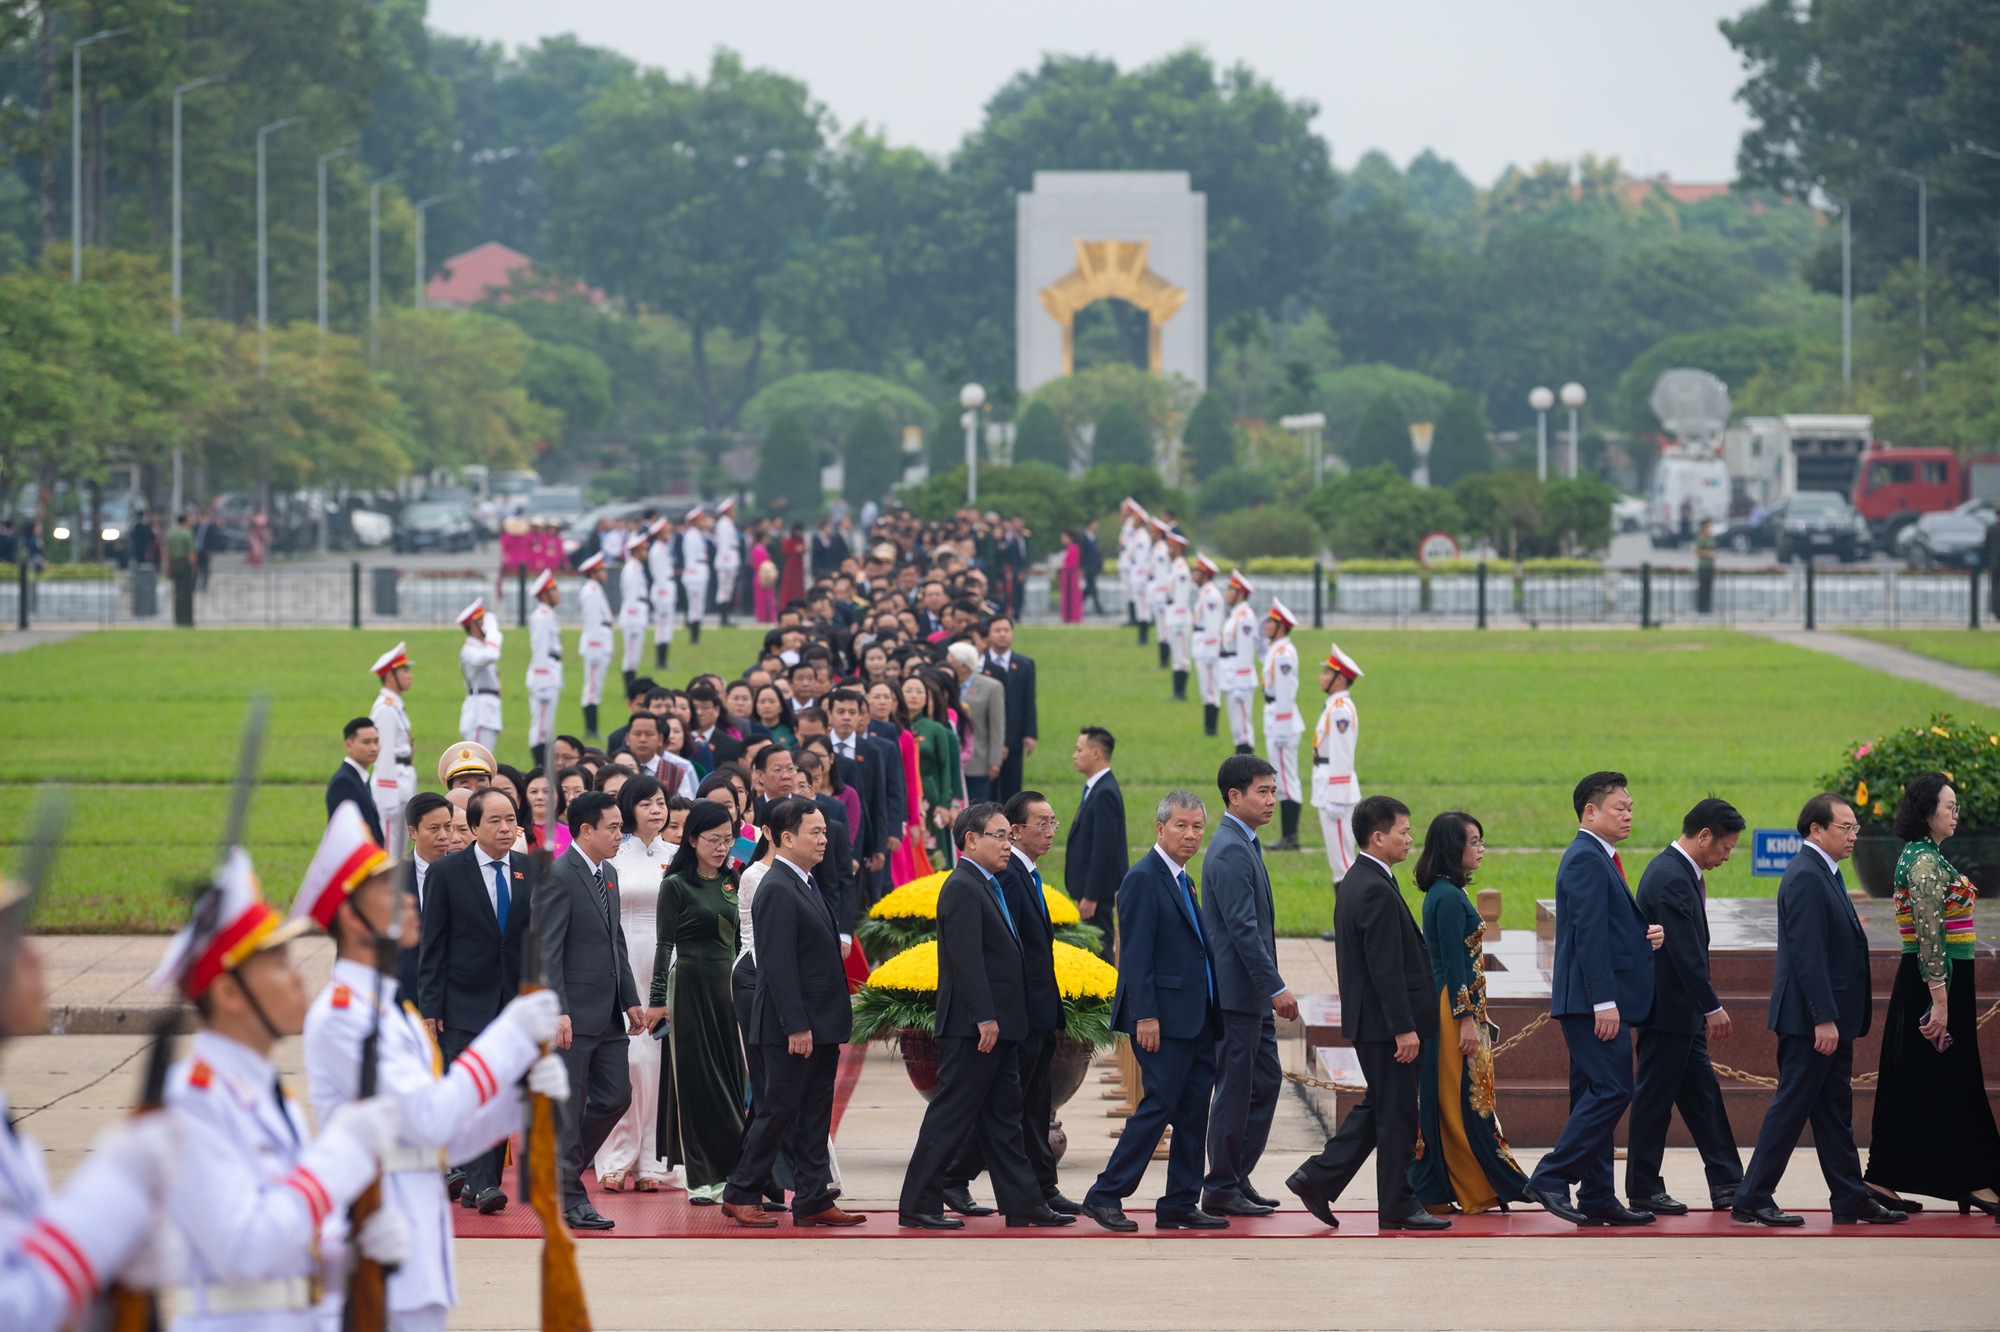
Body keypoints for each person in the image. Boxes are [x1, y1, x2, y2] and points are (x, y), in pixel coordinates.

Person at [297, 804, 568, 1332]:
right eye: (388, 894)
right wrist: (509, 1039)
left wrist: (518, 1100)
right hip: (375, 1234)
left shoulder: (387, 1010)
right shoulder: (341, 1016)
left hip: (418, 1243)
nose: (406, 900)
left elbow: (449, 1139)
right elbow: (426, 1119)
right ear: (353, 918)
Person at [150, 849, 407, 1330]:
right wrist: (340, 1153)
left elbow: (290, 1227)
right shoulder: (194, 1096)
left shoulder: (263, 1087)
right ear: (229, 993)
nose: (297, 977)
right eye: (277, 964)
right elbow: (244, 1249)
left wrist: (343, 1247)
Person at [899, 804, 1072, 1230]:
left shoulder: (986, 883)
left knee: (1004, 1118)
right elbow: (966, 960)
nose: (1007, 845)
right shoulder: (962, 886)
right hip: (974, 1029)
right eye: (999, 836)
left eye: (1008, 837)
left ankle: (1023, 1202)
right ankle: (918, 1203)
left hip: (997, 1027)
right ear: (971, 839)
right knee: (950, 1114)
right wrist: (984, 1017)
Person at [1735, 794, 1904, 1226]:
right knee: (1791, 1110)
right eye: (1845, 828)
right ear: (1816, 829)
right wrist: (1822, 1017)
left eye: (1855, 829)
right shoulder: (1807, 876)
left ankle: (1848, 1196)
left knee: (1833, 1112)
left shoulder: (1824, 872)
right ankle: (1752, 1197)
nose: (1853, 836)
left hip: (1831, 1018)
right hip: (1813, 1021)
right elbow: (1808, 956)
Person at [1286, 795, 1450, 1231]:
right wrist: (1404, 1029)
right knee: (1398, 1115)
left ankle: (1316, 1179)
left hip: (1375, 1023)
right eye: (1404, 832)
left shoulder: (1362, 878)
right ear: (1378, 838)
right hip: (1386, 1027)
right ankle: (1398, 1205)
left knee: (1383, 1106)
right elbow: (1385, 969)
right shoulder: (1374, 887)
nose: (1410, 839)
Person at [1525, 771, 1665, 1227]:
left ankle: (1599, 1195)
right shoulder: (1586, 857)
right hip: (1593, 1003)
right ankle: (1551, 1176)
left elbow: (1606, 927)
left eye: (1630, 809)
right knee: (1613, 1089)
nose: (1628, 816)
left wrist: (1645, 936)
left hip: (1595, 1000)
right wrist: (1604, 1001)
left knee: (1592, 1091)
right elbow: (1587, 935)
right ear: (1590, 811)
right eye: (1618, 808)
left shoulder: (1599, 857)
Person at [1081, 791, 1223, 1232]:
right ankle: (1105, 1194)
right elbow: (1136, 954)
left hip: (1196, 1017)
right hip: (1161, 1020)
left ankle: (1181, 1201)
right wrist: (1145, 1015)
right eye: (1181, 825)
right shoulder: (1144, 878)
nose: (1190, 834)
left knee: (1194, 1109)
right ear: (1160, 829)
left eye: (1198, 826)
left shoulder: (1183, 878)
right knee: (1159, 1104)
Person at [719, 798, 865, 1228]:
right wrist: (796, 1024)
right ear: (786, 838)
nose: (824, 839)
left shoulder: (804, 880)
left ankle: (813, 1196)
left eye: (824, 832)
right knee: (778, 1109)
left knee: (816, 1111)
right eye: (814, 833)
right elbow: (776, 964)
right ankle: (741, 1192)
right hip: (792, 1027)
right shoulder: (777, 886)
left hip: (821, 1022)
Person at [1865, 773, 2000, 1215]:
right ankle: (1974, 1181)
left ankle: (1886, 1179)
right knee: (1951, 1081)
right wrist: (1939, 1002)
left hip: (1937, 982)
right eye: (1949, 806)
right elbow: (1929, 936)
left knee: (1922, 1082)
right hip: (1934, 983)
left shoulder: (1928, 856)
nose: (1956, 814)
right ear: (1927, 813)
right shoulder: (1922, 861)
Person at [418, 785, 536, 1214]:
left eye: (511, 820)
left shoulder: (529, 870)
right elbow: (434, 944)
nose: (505, 829)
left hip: (511, 1006)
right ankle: (484, 1184)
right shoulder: (447, 873)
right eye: (495, 821)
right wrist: (431, 1007)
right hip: (462, 1003)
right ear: (473, 826)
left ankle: (479, 1184)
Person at [1627, 797, 1748, 1216]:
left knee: (1703, 1098)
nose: (1726, 857)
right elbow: (1683, 951)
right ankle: (1643, 1186)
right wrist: (1711, 1006)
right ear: (1703, 836)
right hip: (1668, 1012)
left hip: (1681, 1014)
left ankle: (1729, 1183)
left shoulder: (1677, 871)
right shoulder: (1672, 877)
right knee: (1654, 1101)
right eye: (1726, 848)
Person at [1410, 810, 1531, 1215]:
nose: (1480, 849)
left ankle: (1462, 1185)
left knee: (1465, 1100)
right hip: (1453, 1009)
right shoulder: (1445, 897)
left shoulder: (1449, 893)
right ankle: (1491, 1183)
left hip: (1462, 1007)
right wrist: (1465, 1018)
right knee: (1466, 1101)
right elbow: (1453, 964)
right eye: (1473, 841)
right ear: (1452, 847)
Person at [537, 791, 645, 1230]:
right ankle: (571, 1197)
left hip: (610, 1013)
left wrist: (632, 999)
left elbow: (614, 941)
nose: (621, 834)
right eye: (614, 827)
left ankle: (558, 1170)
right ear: (586, 830)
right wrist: (558, 1010)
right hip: (573, 1016)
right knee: (571, 1104)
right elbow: (546, 951)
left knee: (616, 1095)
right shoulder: (559, 876)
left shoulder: (610, 873)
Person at [1200, 755, 1296, 1218]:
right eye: (1263, 791)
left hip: (1251, 996)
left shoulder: (1244, 842)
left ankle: (1235, 1175)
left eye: (1273, 791)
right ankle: (1220, 1185)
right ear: (1234, 797)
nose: (1272, 800)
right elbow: (1242, 929)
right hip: (1240, 995)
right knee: (1236, 1089)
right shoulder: (1231, 849)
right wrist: (1275, 986)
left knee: (1264, 1082)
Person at [651, 800, 751, 1204]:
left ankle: (734, 1171)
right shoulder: (675, 885)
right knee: (696, 1082)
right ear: (692, 839)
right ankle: (701, 1178)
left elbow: (742, 940)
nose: (722, 847)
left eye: (728, 840)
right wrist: (658, 1001)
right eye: (713, 840)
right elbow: (664, 946)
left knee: (731, 1078)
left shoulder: (733, 882)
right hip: (689, 987)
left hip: (728, 989)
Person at [598, 774, 677, 1194]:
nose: (656, 809)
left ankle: (651, 1162)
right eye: (646, 803)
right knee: (630, 1063)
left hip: (666, 965)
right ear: (628, 809)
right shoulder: (613, 857)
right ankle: (616, 1158)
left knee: (660, 1066)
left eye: (661, 802)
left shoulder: (679, 856)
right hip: (623, 962)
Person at [1310, 643, 1365, 918]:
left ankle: (1350, 924)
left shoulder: (1340, 709)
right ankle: (1347, 924)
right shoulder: (1334, 706)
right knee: (1338, 861)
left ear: (1339, 679)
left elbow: (1343, 756)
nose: (1321, 677)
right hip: (1329, 787)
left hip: (1336, 793)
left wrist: (1336, 797)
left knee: (1344, 861)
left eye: (1326, 672)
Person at [1065, 726, 1126, 927]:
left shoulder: (1104, 793)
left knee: (1100, 951)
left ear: (1096, 753)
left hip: (1097, 897)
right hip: (1091, 894)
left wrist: (1091, 896)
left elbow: (1103, 849)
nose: (1074, 756)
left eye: (1079, 750)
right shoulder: (1098, 788)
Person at [903, 673, 964, 869]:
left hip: (930, 794)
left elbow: (946, 768)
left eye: (919, 692)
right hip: (902, 791)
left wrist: (946, 804)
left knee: (934, 853)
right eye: (908, 691)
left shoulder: (936, 729)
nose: (914, 695)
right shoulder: (895, 728)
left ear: (926, 699)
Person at [1259, 599, 1305, 852]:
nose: (1266, 626)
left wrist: (1282, 728)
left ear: (1281, 627)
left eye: (1272, 622)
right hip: (1275, 715)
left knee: (1287, 780)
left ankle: (1290, 837)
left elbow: (1286, 692)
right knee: (1284, 778)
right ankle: (1288, 835)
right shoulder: (1277, 650)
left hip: (1282, 720)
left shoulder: (1284, 654)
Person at [401, 792, 454, 998]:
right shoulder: (394, 877)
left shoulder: (466, 871)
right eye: (434, 828)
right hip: (407, 988)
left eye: (448, 826)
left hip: (454, 990)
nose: (444, 835)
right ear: (413, 832)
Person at [369, 642, 417, 855]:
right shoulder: (385, 709)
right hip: (392, 788)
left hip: (403, 782)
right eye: (404, 671)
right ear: (390, 677)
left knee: (400, 850)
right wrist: (388, 799)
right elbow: (384, 753)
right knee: (389, 852)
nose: (410, 676)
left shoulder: (394, 706)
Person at [984, 615, 1037, 801]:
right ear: (988, 635)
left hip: (1014, 736)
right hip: (986, 738)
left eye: (1006, 630)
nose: (1002, 635)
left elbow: (1029, 700)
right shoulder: (980, 664)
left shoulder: (1024, 664)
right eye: (997, 630)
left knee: (1012, 790)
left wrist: (1030, 734)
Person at [949, 642, 1004, 803]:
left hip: (978, 759)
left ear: (964, 666)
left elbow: (996, 726)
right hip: (951, 758)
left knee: (976, 807)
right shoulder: (947, 685)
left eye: (951, 662)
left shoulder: (991, 687)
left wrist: (995, 760)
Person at [573, 553, 616, 740]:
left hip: (601, 643)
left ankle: (593, 728)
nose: (605, 573)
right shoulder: (590, 591)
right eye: (601, 570)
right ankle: (591, 729)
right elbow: (592, 623)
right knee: (591, 689)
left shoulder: (595, 589)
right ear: (593, 573)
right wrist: (596, 647)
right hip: (595, 646)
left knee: (595, 688)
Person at [525, 570, 564, 769]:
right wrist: (542, 683)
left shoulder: (547, 615)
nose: (558, 593)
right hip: (544, 676)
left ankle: (544, 766)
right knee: (540, 726)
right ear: (545, 593)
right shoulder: (541, 617)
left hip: (550, 672)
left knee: (546, 726)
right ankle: (539, 767)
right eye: (554, 589)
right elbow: (539, 651)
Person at [1218, 572, 1259, 755]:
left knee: (1243, 728)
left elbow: (1245, 652)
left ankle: (1246, 767)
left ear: (1240, 594)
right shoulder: (1236, 615)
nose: (1226, 593)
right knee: (1237, 727)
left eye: (1230, 590)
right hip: (1229, 674)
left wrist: (1241, 685)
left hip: (1238, 678)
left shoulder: (1245, 617)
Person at [457, 597, 504, 749]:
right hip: (479, 716)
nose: (487, 624)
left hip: (487, 713)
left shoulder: (480, 648)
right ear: (474, 624)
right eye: (482, 620)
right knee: (477, 765)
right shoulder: (469, 651)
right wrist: (493, 632)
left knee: (485, 765)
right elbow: (491, 655)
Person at [330, 717, 386, 845]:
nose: (374, 748)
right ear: (348, 745)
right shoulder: (344, 782)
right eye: (366, 742)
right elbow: (347, 831)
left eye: (376, 741)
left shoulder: (361, 778)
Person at [1190, 555, 1224, 737]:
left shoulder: (1210, 595)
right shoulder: (1205, 592)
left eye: (1197, 571)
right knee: (1206, 689)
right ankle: (1208, 729)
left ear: (1205, 575)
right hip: (1201, 644)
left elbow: (1212, 625)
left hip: (1208, 647)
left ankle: (1211, 730)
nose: (1193, 574)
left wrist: (1211, 650)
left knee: (1211, 690)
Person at [617, 529, 653, 692]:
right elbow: (631, 596)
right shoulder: (632, 569)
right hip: (633, 617)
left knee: (635, 656)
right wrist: (633, 618)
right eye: (644, 549)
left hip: (638, 614)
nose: (646, 552)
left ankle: (631, 687)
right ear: (636, 551)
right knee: (630, 656)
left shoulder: (636, 567)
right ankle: (629, 689)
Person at [1160, 530, 1193, 697]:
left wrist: (1178, 621)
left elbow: (1181, 597)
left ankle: (1181, 692)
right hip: (1173, 616)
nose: (1167, 550)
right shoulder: (1175, 567)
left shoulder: (1181, 570)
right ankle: (1176, 691)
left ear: (1178, 549)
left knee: (1182, 657)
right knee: (1177, 656)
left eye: (1170, 547)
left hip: (1179, 618)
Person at [680, 506, 712, 645]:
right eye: (701, 520)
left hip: (699, 573)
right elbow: (691, 559)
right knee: (695, 607)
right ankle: (694, 637)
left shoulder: (697, 535)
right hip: (695, 575)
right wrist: (694, 576)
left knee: (697, 607)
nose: (704, 523)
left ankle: (696, 636)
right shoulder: (691, 536)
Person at [714, 496, 743, 626]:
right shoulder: (723, 524)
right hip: (726, 561)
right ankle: (723, 618)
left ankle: (726, 617)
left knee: (728, 590)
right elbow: (724, 545)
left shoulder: (728, 523)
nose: (735, 513)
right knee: (724, 591)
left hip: (731, 559)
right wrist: (727, 563)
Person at [165, 510, 197, 626]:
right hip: (185, 564)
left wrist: (169, 567)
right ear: (186, 521)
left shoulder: (170, 533)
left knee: (177, 593)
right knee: (187, 594)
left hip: (174, 564)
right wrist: (194, 567)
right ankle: (186, 620)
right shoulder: (187, 534)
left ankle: (178, 619)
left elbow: (167, 553)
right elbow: (191, 553)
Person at [1057, 529, 1084, 624]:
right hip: (1067, 576)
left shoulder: (1074, 548)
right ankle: (1067, 617)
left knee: (1073, 598)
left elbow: (1074, 563)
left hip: (1071, 576)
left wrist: (1063, 566)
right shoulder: (1069, 548)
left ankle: (1073, 617)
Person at [1080, 517, 1105, 614]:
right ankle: (1098, 608)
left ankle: (1078, 604)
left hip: (1093, 567)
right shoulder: (1084, 538)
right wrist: (1082, 567)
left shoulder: (1094, 538)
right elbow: (1083, 553)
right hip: (1087, 567)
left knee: (1089, 588)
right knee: (1092, 587)